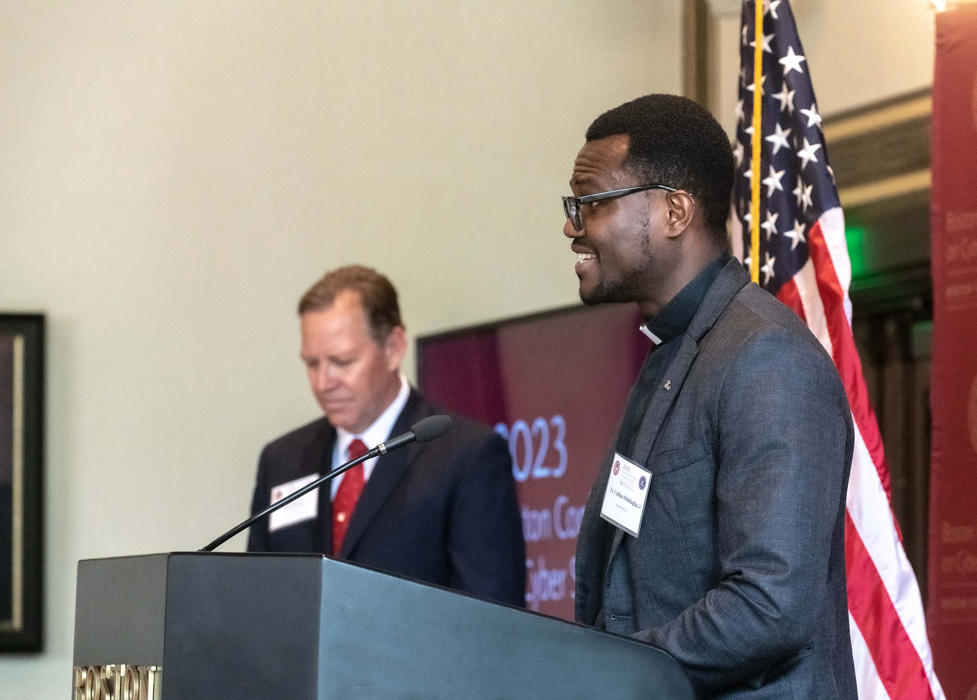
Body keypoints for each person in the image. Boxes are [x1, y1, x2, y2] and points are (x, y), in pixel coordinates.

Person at [567, 94, 858, 698]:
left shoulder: (767, 358)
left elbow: (769, 603)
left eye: (589, 204)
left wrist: (609, 669)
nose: (572, 227)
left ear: (674, 211)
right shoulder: (674, 350)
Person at [247, 265, 526, 607]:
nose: (324, 382)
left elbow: (492, 616)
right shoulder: (282, 461)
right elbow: (256, 602)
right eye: (312, 363)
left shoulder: (467, 456)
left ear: (394, 348)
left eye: (343, 361)